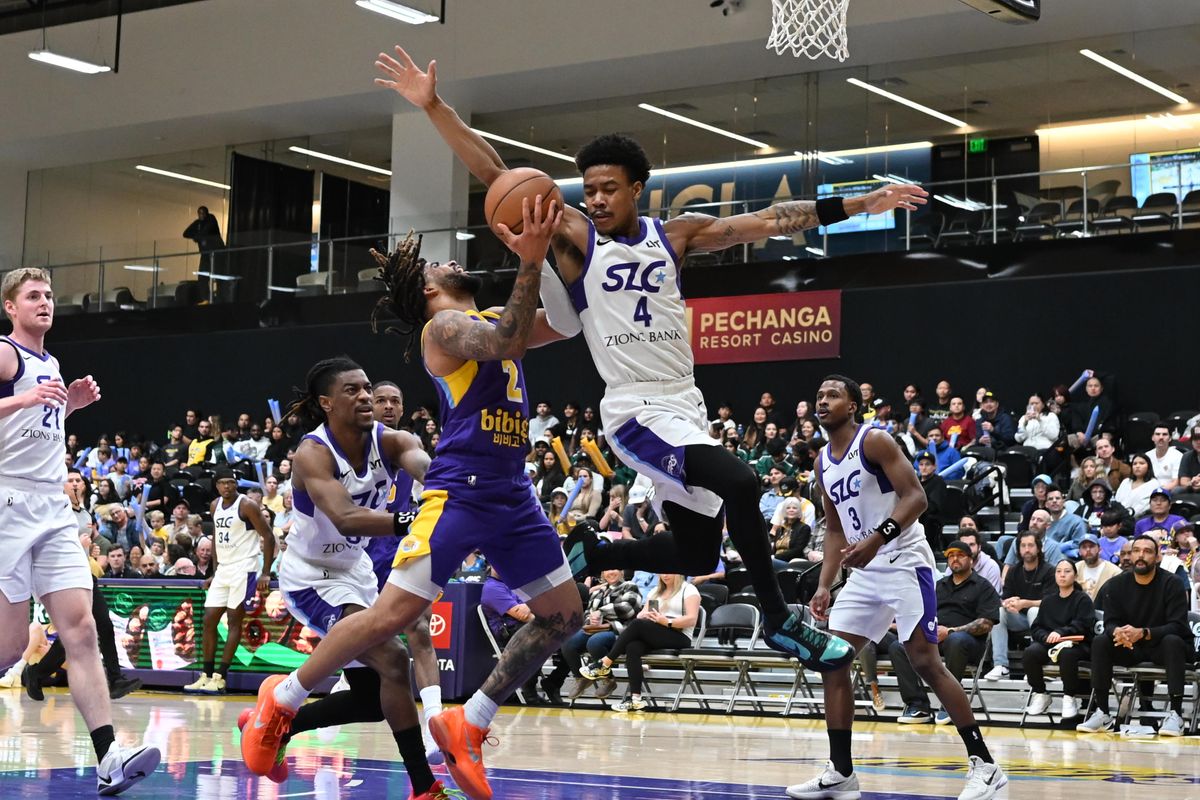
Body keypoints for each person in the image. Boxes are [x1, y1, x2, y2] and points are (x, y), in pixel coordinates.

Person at [373, 47, 921, 676]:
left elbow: (767, 220)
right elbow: (497, 171)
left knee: (695, 552)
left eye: (610, 188)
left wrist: (860, 204)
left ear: (638, 188)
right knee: (742, 484)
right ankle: (779, 620)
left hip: (684, 401)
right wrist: (435, 106)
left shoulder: (675, 235)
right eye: (591, 189)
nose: (598, 199)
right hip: (634, 407)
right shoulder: (576, 236)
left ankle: (591, 547)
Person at [241, 198, 583, 800]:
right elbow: (506, 341)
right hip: (463, 491)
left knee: (564, 615)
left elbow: (566, 321)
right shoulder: (442, 329)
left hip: (513, 494)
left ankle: (469, 720)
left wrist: (561, 242)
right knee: (394, 621)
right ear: (428, 291)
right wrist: (528, 259)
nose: (451, 260)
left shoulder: (492, 313)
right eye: (438, 264)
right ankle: (284, 699)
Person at [789, 377, 1005, 800]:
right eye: (818, 396)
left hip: (905, 562)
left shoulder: (875, 441)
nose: (822, 401)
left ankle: (986, 766)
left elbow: (916, 498)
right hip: (865, 573)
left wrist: (875, 539)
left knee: (925, 661)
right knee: (834, 661)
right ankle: (841, 772)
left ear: (853, 406)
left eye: (833, 395)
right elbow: (834, 528)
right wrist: (825, 583)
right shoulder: (820, 463)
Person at [243, 360, 448, 794]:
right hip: (311, 576)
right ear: (326, 402)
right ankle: (423, 787)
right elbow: (347, 517)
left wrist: (449, 489)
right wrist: (408, 519)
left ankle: (282, 724)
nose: (365, 397)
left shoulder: (394, 440)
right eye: (352, 390)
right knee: (394, 659)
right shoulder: (312, 452)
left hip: (355, 571)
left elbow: (427, 467)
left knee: (371, 701)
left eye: (367, 388)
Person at [0, 267, 160, 794]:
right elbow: (18, 412)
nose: (44, 303)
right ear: (11, 307)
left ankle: (109, 755)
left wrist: (70, 404)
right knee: (7, 645)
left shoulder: (49, 361)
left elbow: (35, 427)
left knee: (82, 630)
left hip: (50, 509)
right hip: (7, 501)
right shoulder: (6, 353)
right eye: (32, 296)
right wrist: (24, 398)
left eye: (48, 295)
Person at [1076, 535, 1194, 736]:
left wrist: (1145, 633)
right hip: (1132, 647)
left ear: (1157, 557)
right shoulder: (1116, 584)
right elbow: (1110, 622)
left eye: (1147, 551)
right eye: (1136, 550)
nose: (1141, 555)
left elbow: (1178, 626)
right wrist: (1118, 633)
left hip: (1162, 647)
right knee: (1101, 641)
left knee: (1173, 641)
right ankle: (1102, 711)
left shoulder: (1172, 583)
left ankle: (1175, 714)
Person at [887, 540, 1000, 728]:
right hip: (935, 636)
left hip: (968, 643)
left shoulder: (983, 586)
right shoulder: (938, 586)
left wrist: (951, 631)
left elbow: (986, 623)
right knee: (899, 645)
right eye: (950, 556)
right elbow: (922, 614)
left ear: (971, 559)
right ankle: (917, 705)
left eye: (960, 555)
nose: (955, 559)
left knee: (955, 640)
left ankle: (949, 703)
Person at [183, 467, 275, 695]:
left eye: (231, 482)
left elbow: (268, 535)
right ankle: (205, 675)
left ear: (236, 484)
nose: (228, 486)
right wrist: (214, 572)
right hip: (224, 569)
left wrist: (265, 572)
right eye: (223, 483)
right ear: (216, 486)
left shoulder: (247, 505)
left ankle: (220, 677)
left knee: (234, 620)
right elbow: (216, 540)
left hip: (245, 568)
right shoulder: (215, 506)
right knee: (209, 619)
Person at [578, 573, 699, 712]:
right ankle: (635, 699)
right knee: (632, 646)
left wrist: (666, 621)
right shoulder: (655, 591)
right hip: (657, 632)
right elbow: (642, 614)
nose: (665, 575)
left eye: (669, 572)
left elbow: (691, 619)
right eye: (662, 572)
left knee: (636, 625)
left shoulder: (688, 589)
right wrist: (644, 615)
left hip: (680, 635)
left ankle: (605, 662)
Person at [1022, 559, 1094, 720]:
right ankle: (1040, 693)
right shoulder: (1048, 600)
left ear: (1075, 575)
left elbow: (1083, 624)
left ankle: (1069, 697)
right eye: (1059, 571)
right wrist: (1045, 637)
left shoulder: (1082, 599)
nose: (1062, 575)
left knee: (1067, 654)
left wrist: (1060, 632)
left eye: (1067, 571)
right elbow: (1037, 627)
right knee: (1030, 652)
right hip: (1051, 644)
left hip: (1077, 645)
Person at [562, 568, 641, 702]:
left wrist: (601, 612)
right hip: (595, 629)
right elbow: (587, 613)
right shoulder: (597, 591)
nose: (610, 572)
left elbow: (628, 609)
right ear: (602, 573)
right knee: (567, 643)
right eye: (607, 570)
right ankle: (581, 679)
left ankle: (608, 680)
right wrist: (591, 618)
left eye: (614, 569)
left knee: (595, 642)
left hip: (620, 631)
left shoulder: (630, 586)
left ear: (622, 572)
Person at [983, 532, 1053, 680]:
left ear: (1038, 548)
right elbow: (1004, 598)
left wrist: (1025, 603)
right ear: (1018, 549)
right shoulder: (1014, 571)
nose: (1027, 549)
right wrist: (1008, 604)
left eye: (1030, 545)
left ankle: (1036, 665)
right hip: (1019, 618)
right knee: (999, 612)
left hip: (1045, 620)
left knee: (1034, 611)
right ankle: (1000, 665)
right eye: (1023, 546)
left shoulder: (1049, 571)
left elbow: (1051, 602)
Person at [1043, 487, 1089, 559]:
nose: (1054, 501)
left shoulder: (1076, 521)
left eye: (1057, 498)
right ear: (1046, 504)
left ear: (1063, 502)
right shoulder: (1044, 523)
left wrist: (1064, 549)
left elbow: (1080, 545)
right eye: (1050, 499)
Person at [1075, 533, 1120, 601]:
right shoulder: (1075, 569)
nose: (1088, 550)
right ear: (1079, 552)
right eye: (1084, 547)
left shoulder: (1114, 572)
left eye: (1091, 546)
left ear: (1100, 550)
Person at [1145, 424, 1182, 492]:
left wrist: (1158, 491)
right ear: (1152, 437)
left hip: (1168, 492)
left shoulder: (1177, 456)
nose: (1161, 437)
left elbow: (1176, 482)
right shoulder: (1147, 456)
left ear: (1170, 438)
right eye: (1157, 434)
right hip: (1148, 491)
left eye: (1164, 434)